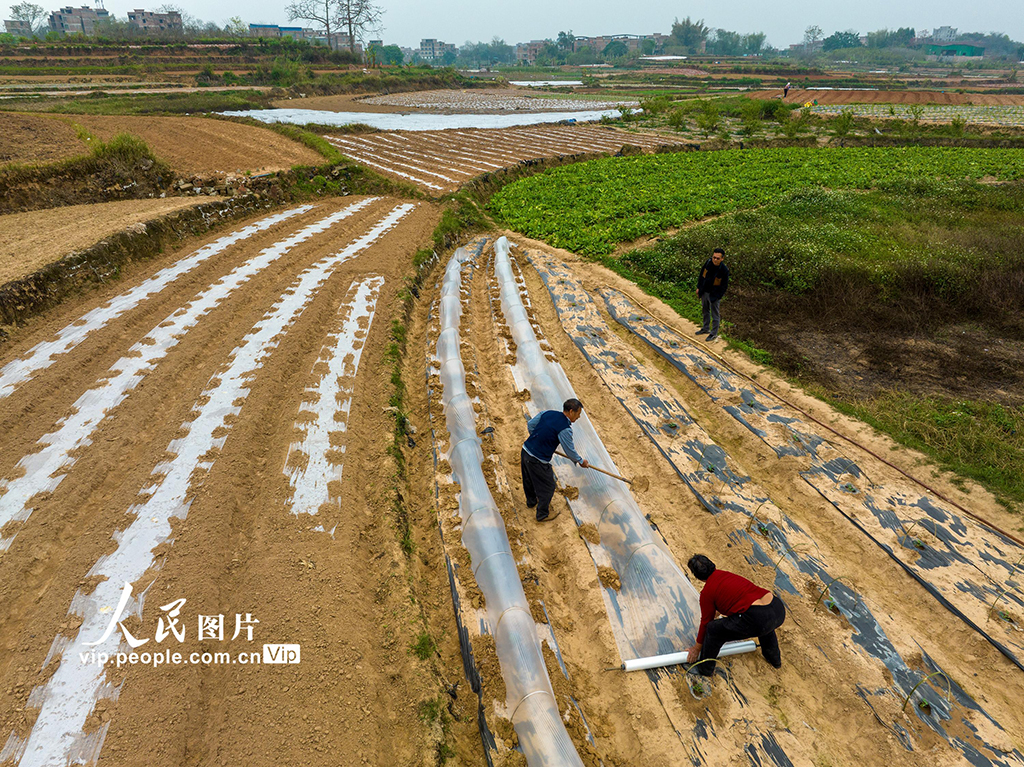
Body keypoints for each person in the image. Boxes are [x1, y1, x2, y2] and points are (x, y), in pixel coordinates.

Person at [684, 554, 786, 676]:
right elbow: (733, 598)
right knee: (765, 625)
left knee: (713, 630)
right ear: (712, 565)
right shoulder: (726, 575)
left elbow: (706, 623)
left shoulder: (707, 592)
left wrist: (696, 648)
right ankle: (774, 660)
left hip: (758, 618)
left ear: (697, 577)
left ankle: (705, 669)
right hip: (776, 608)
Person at [521, 398, 590, 523]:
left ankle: (531, 502)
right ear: (571, 411)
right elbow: (569, 450)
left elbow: (531, 425)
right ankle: (542, 514)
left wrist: (538, 439)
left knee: (528, 479)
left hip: (525, 450)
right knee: (548, 486)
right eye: (578, 414)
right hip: (537, 459)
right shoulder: (565, 429)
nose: (579, 417)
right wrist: (581, 461)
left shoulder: (548, 413)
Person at [695, 247, 730, 342]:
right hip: (704, 292)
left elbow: (724, 286)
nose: (715, 260)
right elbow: (702, 275)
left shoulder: (724, 270)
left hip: (714, 295)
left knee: (715, 314)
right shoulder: (708, 263)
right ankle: (705, 328)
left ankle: (714, 333)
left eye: (718, 258)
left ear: (722, 258)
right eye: (714, 257)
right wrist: (699, 287)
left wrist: (718, 296)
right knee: (705, 310)